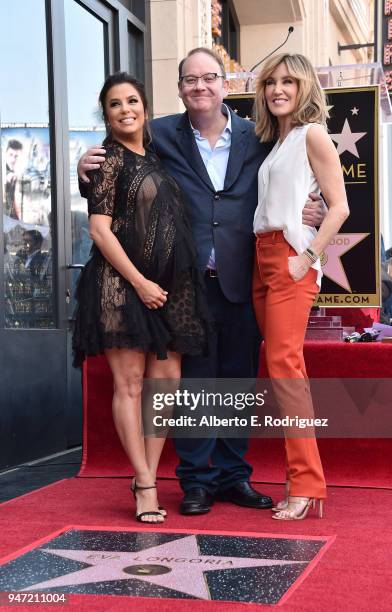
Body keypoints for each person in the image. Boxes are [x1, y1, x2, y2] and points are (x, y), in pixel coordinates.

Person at [78, 47, 325, 516]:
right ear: (179, 88)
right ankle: (196, 480)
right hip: (181, 282)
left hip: (243, 277)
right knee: (192, 384)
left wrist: (312, 210)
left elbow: (294, 181)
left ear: (224, 84)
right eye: (190, 80)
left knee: (237, 382)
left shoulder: (262, 135)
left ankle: (234, 477)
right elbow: (121, 163)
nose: (200, 87)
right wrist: (81, 173)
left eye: (209, 78)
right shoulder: (160, 132)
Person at [72, 73, 212, 524]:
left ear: (146, 107)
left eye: (132, 100)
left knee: (165, 385)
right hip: (122, 286)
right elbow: (99, 230)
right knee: (130, 387)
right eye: (114, 104)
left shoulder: (156, 154)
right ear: (106, 115)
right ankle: (146, 485)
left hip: (170, 289)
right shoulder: (108, 159)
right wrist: (139, 283)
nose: (125, 109)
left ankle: (145, 473)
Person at [252, 53, 349, 520]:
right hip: (262, 259)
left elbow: (340, 208)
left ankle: (306, 484)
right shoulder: (280, 141)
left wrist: (308, 258)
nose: (277, 90)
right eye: (271, 82)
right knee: (286, 370)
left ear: (305, 86)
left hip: (290, 259)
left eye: (288, 81)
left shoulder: (311, 134)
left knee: (285, 367)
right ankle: (307, 481)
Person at [4, 139, 23, 219]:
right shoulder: (6, 172)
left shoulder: (16, 173)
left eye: (16, 156)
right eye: (10, 155)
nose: (13, 160)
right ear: (5, 153)